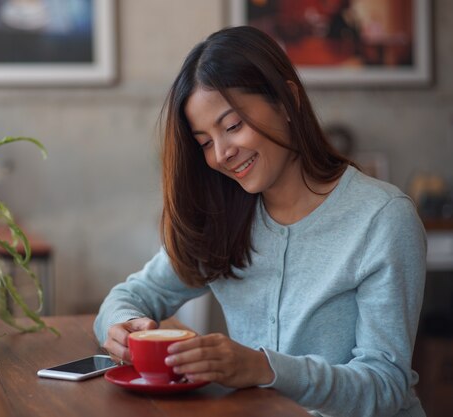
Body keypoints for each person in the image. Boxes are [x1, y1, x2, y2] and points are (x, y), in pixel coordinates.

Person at [93, 26, 426, 417]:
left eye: (232, 126)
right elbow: (127, 298)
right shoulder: (223, 218)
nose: (221, 154)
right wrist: (123, 327)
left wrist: (262, 368)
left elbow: (384, 387)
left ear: (288, 101)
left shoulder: (383, 218)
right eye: (204, 142)